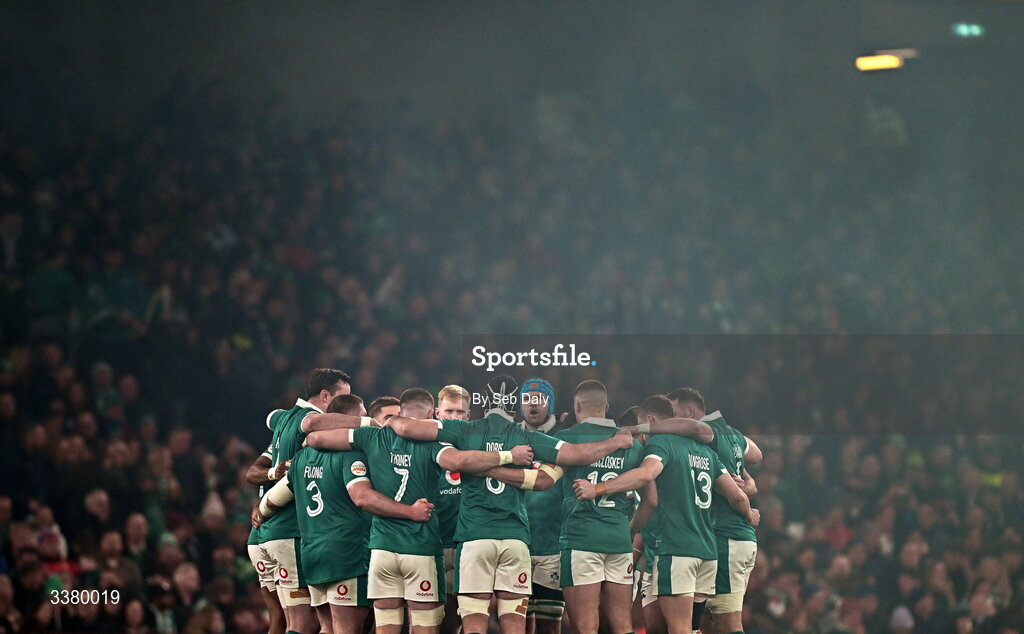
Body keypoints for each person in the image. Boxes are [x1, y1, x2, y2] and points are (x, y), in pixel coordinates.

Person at [387, 375, 634, 634]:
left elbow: (407, 429)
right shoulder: (525, 436)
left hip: (475, 538)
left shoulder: (463, 429)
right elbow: (576, 454)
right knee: (516, 624)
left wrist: (389, 420)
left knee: (473, 623)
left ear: (482, 403)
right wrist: (615, 442)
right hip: (515, 540)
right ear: (514, 405)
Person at [304, 387, 535, 634]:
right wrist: (506, 455)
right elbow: (459, 462)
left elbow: (315, 437)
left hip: (382, 548)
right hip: (420, 546)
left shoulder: (370, 436)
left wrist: (353, 428)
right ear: (431, 413)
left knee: (385, 628)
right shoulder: (434, 445)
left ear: (401, 412)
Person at [574, 395, 758, 634]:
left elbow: (646, 478)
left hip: (675, 549)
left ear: (649, 420)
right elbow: (738, 495)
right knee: (691, 628)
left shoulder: (660, 444)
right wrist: (749, 515)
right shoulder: (705, 450)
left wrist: (597, 488)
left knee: (680, 629)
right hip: (705, 551)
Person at [254, 393, 435, 634]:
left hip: (313, 556)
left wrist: (260, 510)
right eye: (361, 417)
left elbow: (275, 498)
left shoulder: (300, 458)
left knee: (324, 628)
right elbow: (362, 496)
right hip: (345, 555)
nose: (365, 421)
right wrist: (410, 512)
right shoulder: (351, 455)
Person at [259, 368, 353, 634]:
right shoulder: (310, 418)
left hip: (271, 530)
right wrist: (371, 424)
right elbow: (312, 423)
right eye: (339, 401)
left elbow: (269, 418)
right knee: (302, 623)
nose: (340, 410)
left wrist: (264, 506)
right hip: (290, 530)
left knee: (288, 621)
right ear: (324, 396)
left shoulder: (283, 418)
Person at [666, 388, 761, 634]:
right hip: (731, 538)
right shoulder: (734, 436)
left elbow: (696, 429)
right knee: (709, 621)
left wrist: (643, 429)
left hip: (727, 535)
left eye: (674, 413)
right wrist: (747, 485)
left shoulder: (709, 434)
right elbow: (757, 454)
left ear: (690, 410)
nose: (671, 420)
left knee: (727, 622)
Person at [557, 381, 648, 634]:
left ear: (576, 406)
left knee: (586, 626)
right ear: (606, 407)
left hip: (581, 539)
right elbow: (651, 500)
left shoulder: (565, 440)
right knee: (622, 625)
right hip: (619, 540)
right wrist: (628, 528)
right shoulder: (633, 445)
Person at [518, 379, 569, 634]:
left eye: (539, 399)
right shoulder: (511, 437)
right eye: (527, 399)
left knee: (550, 622)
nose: (533, 405)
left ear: (550, 404)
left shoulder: (564, 437)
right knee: (518, 619)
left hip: (553, 544)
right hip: (518, 542)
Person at [432, 385, 473, 634]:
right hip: (432, 545)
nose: (455, 418)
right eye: (449, 411)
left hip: (465, 546)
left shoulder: (479, 447)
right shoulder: (424, 446)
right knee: (428, 622)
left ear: (469, 415)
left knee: (458, 621)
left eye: (460, 412)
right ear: (437, 413)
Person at [244, 443, 288, 634]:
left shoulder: (277, 443)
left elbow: (253, 473)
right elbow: (251, 473)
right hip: (282, 536)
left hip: (259, 538)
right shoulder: (305, 443)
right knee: (302, 621)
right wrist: (274, 474)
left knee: (280, 618)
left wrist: (260, 506)